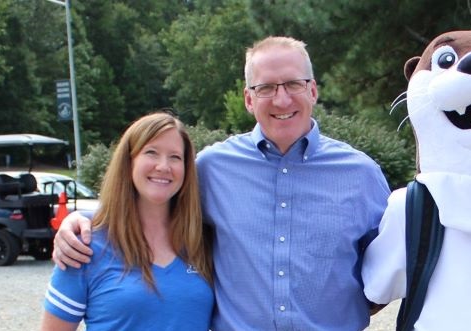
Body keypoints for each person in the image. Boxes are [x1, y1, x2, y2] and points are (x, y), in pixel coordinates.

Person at [52, 36, 391, 330]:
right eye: (266, 88)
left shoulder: (361, 175)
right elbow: (153, 195)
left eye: (293, 84)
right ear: (248, 99)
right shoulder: (212, 168)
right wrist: (79, 220)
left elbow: (395, 267)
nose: (282, 99)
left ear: (313, 90)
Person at [40, 113, 214, 330]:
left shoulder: (201, 241)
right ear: (128, 162)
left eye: (175, 157)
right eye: (151, 152)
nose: (163, 166)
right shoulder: (84, 246)